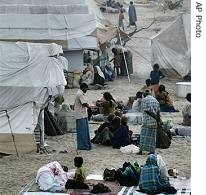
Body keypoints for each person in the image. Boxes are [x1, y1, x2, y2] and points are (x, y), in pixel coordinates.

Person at [139, 90, 160, 155]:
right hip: (154, 122)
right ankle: (151, 151)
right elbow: (158, 112)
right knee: (152, 137)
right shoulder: (156, 100)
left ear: (144, 95)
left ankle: (141, 150)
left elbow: (147, 111)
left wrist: (155, 117)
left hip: (147, 121)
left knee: (143, 136)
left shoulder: (144, 100)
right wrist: (158, 119)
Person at [74, 83, 92, 150]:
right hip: (80, 115)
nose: (86, 90)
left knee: (85, 131)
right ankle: (83, 146)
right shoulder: (79, 94)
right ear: (83, 87)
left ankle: (85, 144)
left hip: (83, 114)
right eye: (86, 88)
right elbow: (84, 103)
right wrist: (89, 108)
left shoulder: (81, 93)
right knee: (82, 131)